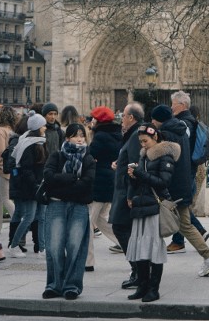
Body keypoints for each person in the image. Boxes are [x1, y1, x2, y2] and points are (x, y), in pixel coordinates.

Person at [151, 104, 209, 277]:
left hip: (171, 187)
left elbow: (157, 157)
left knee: (155, 225)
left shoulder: (166, 135)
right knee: (185, 225)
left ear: (158, 119)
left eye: (153, 119)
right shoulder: (182, 130)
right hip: (182, 183)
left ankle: (148, 264)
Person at [42, 122, 95, 300]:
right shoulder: (57, 156)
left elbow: (88, 182)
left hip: (79, 206)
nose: (79, 139)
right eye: (75, 135)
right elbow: (48, 177)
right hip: (57, 205)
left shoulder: (88, 157)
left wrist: (62, 183)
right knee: (54, 245)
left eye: (82, 135)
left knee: (75, 246)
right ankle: (54, 285)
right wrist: (71, 179)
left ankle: (72, 285)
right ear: (67, 138)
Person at [126, 124, 177, 303]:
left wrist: (140, 173)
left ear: (155, 138)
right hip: (142, 204)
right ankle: (142, 286)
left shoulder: (165, 156)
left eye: (145, 141)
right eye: (140, 142)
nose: (143, 145)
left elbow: (163, 182)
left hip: (155, 206)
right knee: (140, 247)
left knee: (153, 247)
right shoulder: (144, 156)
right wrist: (132, 177)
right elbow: (142, 182)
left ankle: (153, 289)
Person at [168, 91, 209, 252]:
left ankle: (191, 235)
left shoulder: (184, 123)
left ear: (182, 105)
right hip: (189, 168)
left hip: (186, 169)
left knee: (179, 204)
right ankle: (183, 238)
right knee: (180, 204)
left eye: (173, 104)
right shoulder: (188, 121)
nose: (171, 107)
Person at [111, 102, 145, 291]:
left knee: (121, 229)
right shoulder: (134, 134)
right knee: (129, 232)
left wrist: (131, 195)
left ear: (131, 117)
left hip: (127, 192)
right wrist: (120, 163)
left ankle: (138, 271)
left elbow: (134, 166)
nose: (121, 118)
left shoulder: (134, 136)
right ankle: (138, 271)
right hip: (126, 190)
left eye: (123, 115)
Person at [7, 112, 48, 257]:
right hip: (31, 187)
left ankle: (42, 248)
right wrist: (36, 185)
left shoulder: (39, 141)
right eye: (43, 125)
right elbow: (27, 168)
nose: (45, 127)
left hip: (39, 184)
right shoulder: (29, 144)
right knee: (29, 217)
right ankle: (13, 246)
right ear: (37, 127)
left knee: (41, 217)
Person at [86, 105, 121, 270]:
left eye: (93, 119)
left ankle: (88, 261)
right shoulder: (117, 134)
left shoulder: (100, 137)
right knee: (101, 220)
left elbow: (89, 156)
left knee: (87, 223)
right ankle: (125, 244)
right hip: (111, 182)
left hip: (99, 184)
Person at [0, 106, 18, 235]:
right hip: (11, 167)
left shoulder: (0, 131)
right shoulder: (13, 131)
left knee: (5, 198)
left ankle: (19, 220)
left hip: (2, 168)